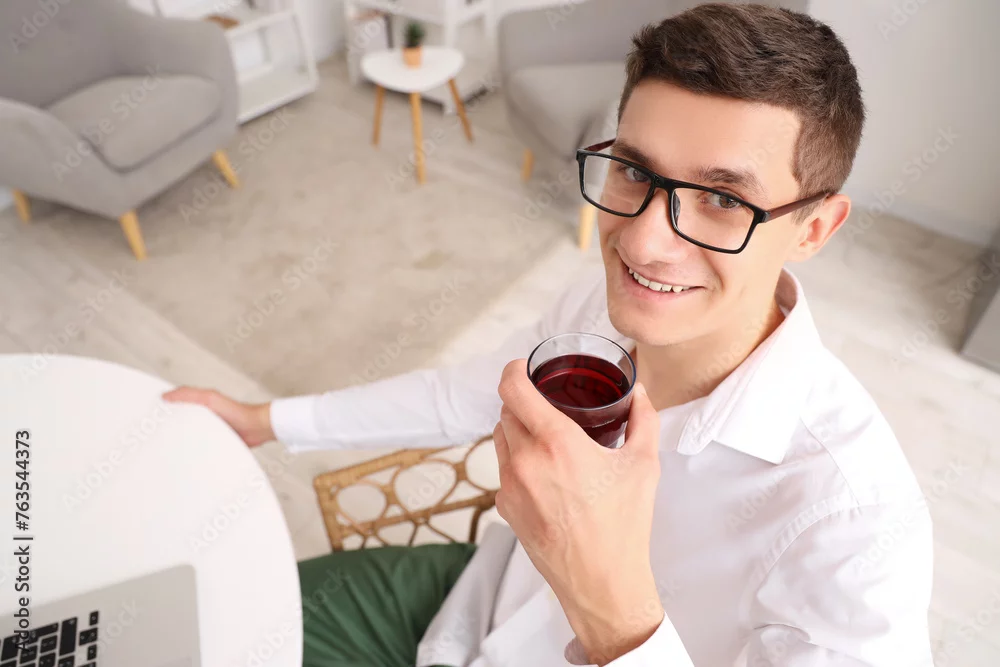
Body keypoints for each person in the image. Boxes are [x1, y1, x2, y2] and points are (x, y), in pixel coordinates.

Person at [165, 3, 935, 666]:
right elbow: (460, 394)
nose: (642, 244)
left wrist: (616, 617)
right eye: (634, 172)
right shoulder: (598, 312)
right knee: (229, 620)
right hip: (471, 611)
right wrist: (266, 420)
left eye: (722, 201)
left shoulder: (853, 523)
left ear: (814, 227)